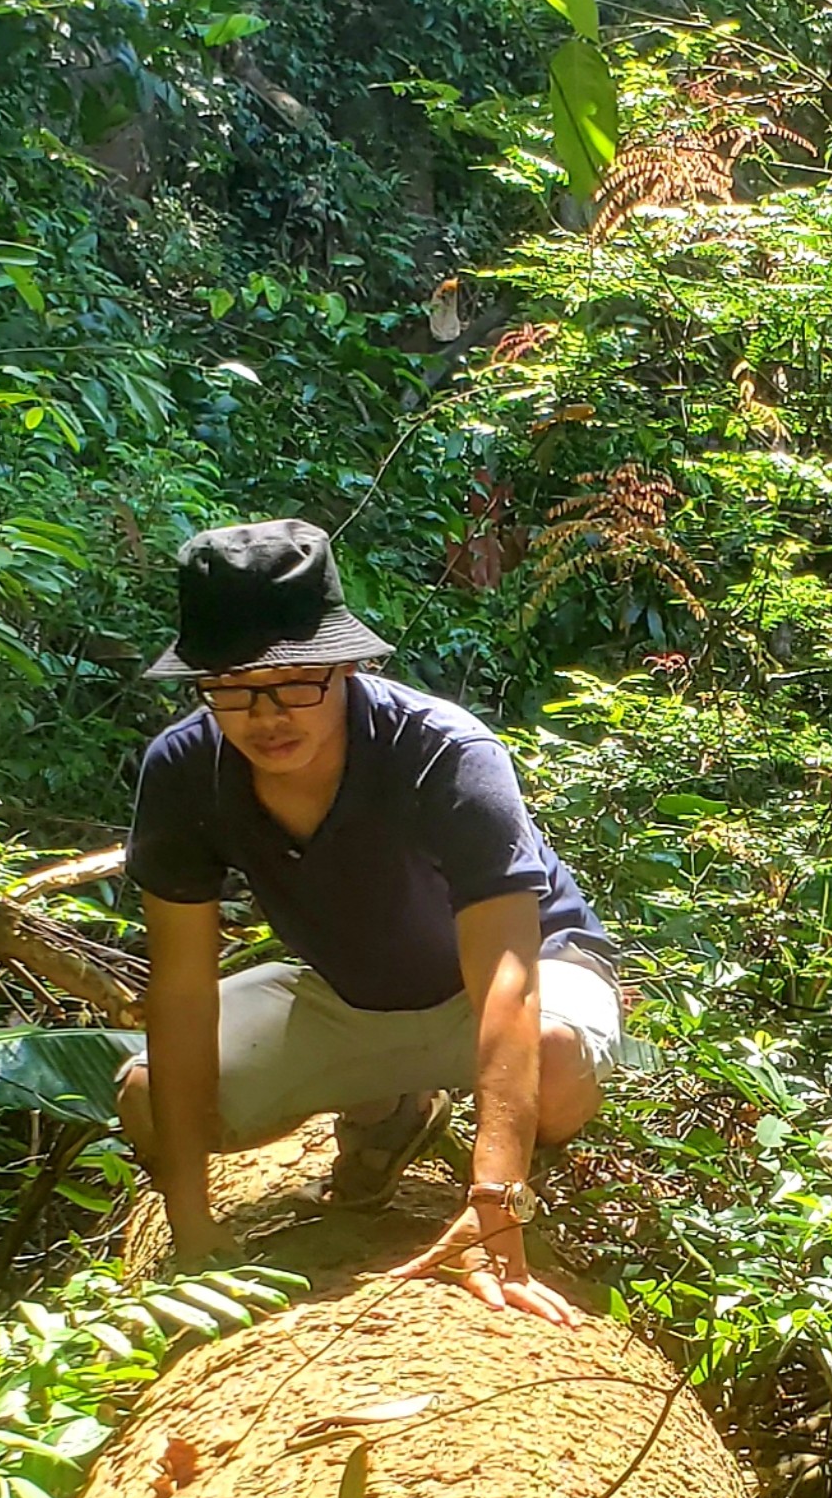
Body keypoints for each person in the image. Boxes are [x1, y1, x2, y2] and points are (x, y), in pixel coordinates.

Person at [117, 518, 622, 1325]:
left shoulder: (446, 753)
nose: (266, 714)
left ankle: (501, 1156)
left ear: (344, 662)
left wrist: (495, 1195)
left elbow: (508, 976)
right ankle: (395, 1107)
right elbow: (181, 990)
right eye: (233, 687)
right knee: (147, 1097)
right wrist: (190, 1221)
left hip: (517, 976)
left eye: (295, 682)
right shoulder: (183, 771)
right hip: (349, 991)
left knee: (556, 1061)